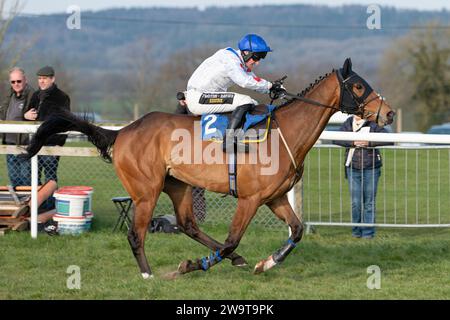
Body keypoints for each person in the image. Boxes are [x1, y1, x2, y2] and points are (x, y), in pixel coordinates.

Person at [182, 34, 285, 151]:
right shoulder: (231, 60)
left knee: (253, 102)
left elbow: (252, 79)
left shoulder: (236, 59)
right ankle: (229, 140)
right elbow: (244, 81)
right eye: (256, 57)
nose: (257, 62)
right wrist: (270, 86)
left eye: (262, 57)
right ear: (246, 53)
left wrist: (271, 88)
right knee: (245, 101)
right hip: (199, 98)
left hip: (201, 95)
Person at [333, 115, 393, 239]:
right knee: (355, 203)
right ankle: (356, 232)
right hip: (352, 168)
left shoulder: (373, 123)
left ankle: (368, 234)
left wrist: (369, 142)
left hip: (371, 168)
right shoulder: (348, 123)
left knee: (369, 203)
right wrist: (352, 142)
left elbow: (389, 138)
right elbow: (335, 139)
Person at [26, 66, 71, 187]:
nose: (41, 81)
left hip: (51, 144)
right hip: (35, 143)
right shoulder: (36, 95)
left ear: (52, 79)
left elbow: (66, 122)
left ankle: (50, 205)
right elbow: (27, 113)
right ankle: (37, 205)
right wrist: (26, 115)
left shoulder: (62, 97)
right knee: (33, 177)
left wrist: (58, 144)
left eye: (44, 78)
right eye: (39, 78)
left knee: (50, 178)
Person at [0, 67, 35, 187]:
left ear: (25, 79)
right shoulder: (10, 95)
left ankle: (31, 204)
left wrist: (25, 116)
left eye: (19, 81)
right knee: (14, 178)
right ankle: (19, 205)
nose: (16, 84)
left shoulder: (32, 95)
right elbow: (3, 113)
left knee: (26, 178)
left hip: (24, 144)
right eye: (13, 82)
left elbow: (36, 114)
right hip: (9, 143)